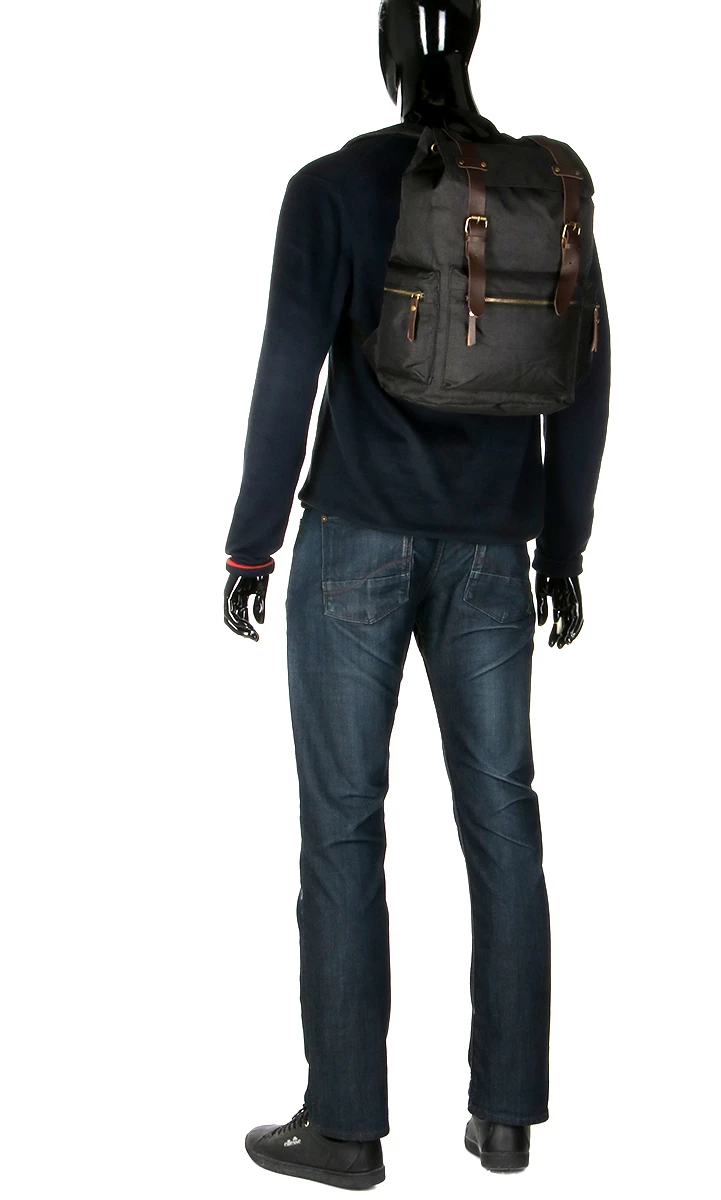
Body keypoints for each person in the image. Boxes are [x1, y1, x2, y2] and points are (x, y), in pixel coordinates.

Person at [224, 0, 610, 1188]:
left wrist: (249, 545)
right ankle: (506, 1118)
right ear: (473, 43)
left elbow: (288, 370)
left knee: (344, 825)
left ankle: (346, 1129)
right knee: (504, 819)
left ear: (390, 52)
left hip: (352, 541)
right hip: (495, 550)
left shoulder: (331, 187)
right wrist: (563, 547)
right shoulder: (543, 190)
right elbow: (589, 381)